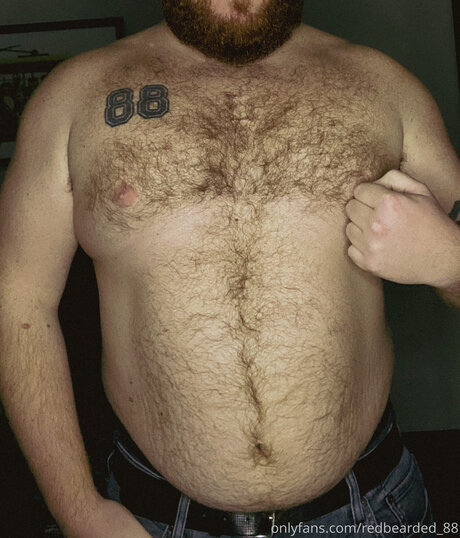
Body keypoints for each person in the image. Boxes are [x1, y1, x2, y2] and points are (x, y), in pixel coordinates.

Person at [0, 0, 459, 536]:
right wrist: (78, 511)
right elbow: (17, 301)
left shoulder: (385, 87)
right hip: (154, 520)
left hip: (372, 509)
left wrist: (449, 258)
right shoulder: (75, 96)